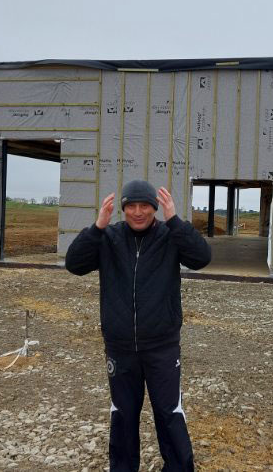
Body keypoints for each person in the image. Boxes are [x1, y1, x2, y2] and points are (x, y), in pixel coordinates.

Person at [65, 179, 211, 471]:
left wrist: (175, 221)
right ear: (123, 209)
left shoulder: (169, 235)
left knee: (169, 413)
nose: (138, 212)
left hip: (162, 347)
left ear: (155, 208)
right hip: (120, 348)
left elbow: (202, 258)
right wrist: (97, 227)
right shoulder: (109, 237)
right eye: (131, 206)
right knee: (123, 415)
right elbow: (74, 264)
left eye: (145, 206)